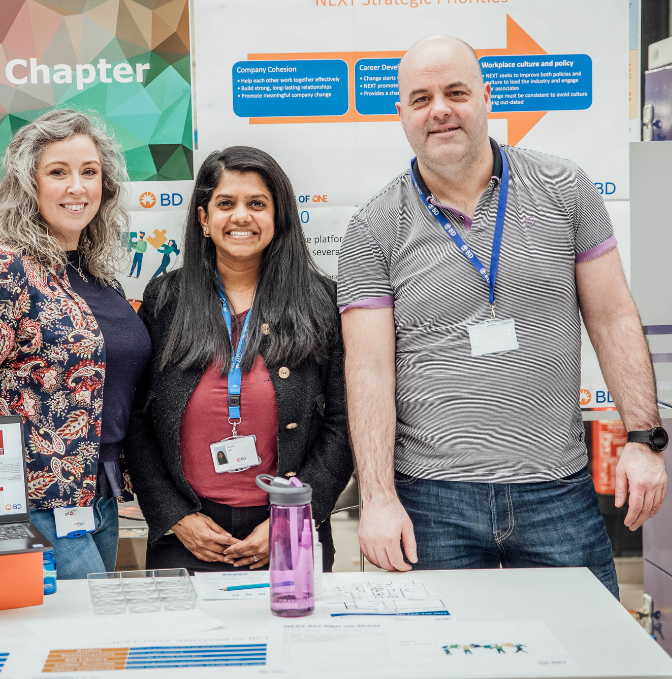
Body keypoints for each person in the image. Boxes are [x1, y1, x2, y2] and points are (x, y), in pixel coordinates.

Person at [338, 36, 667, 598]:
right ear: (401, 114)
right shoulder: (374, 226)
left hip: (556, 491)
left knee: (587, 656)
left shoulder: (565, 188)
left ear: (487, 97)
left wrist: (643, 438)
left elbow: (613, 318)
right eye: (420, 98)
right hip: (430, 500)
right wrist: (378, 498)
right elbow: (368, 372)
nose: (439, 109)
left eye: (455, 92)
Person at [0, 108, 151, 579]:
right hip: (30, 507)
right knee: (80, 636)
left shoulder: (96, 276)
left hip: (101, 500)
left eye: (90, 172)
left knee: (92, 649)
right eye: (58, 172)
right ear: (28, 184)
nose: (77, 187)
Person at [126, 146, 353, 572]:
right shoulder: (164, 301)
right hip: (188, 536)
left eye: (257, 204)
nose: (242, 216)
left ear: (279, 216)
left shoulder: (321, 302)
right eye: (226, 203)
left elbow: (343, 421)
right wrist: (174, 516)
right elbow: (139, 422)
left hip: (288, 530)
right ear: (203, 219)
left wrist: (294, 516)